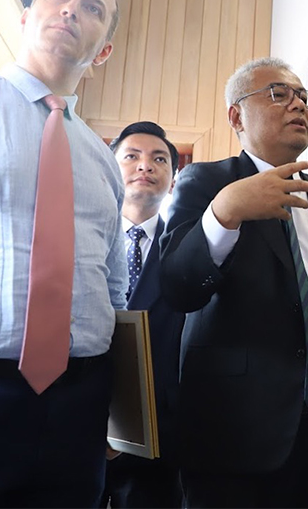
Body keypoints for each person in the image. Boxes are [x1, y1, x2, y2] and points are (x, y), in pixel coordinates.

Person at [0, 0, 126, 507]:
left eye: (93, 8)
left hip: (80, 409)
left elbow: (111, 291)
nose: (72, 9)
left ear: (103, 51)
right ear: (26, 16)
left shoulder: (103, 161)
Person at [159, 57, 308, 508]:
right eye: (278, 93)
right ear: (236, 115)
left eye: (303, 97)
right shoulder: (206, 183)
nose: (297, 104)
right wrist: (225, 214)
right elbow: (178, 288)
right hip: (233, 434)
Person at [100, 121, 183, 508]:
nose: (144, 166)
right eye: (131, 156)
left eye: (159, 159)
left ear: (174, 175)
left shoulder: (192, 246)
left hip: (163, 433)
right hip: (81, 417)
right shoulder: (81, 235)